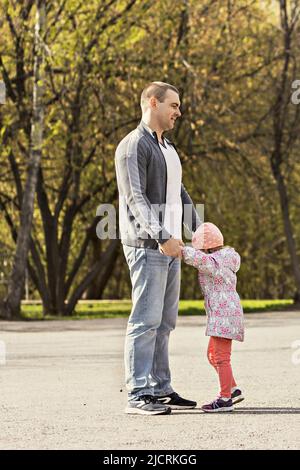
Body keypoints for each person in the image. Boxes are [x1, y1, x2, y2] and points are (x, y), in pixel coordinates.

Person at [115, 81, 201, 415]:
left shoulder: (167, 147)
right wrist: (161, 235)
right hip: (148, 244)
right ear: (154, 102)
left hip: (170, 246)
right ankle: (138, 394)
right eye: (174, 105)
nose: (179, 112)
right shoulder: (133, 146)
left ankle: (160, 388)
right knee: (145, 321)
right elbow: (134, 197)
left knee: (165, 322)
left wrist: (201, 231)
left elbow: (180, 193)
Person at [181, 222, 244, 413]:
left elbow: (199, 259)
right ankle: (232, 390)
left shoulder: (215, 262)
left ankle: (224, 399)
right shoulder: (228, 258)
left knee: (221, 358)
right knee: (212, 355)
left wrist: (181, 249)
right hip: (227, 315)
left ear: (207, 248)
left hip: (223, 316)